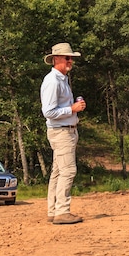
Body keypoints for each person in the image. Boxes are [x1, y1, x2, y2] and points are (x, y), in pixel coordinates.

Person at [40, 42, 87, 225]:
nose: (70, 61)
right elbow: (49, 112)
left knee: (58, 172)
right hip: (61, 133)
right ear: (56, 59)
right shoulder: (52, 81)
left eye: (71, 58)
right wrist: (72, 109)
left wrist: (73, 109)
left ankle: (53, 210)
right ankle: (62, 211)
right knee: (68, 171)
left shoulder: (61, 79)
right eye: (68, 58)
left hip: (64, 132)